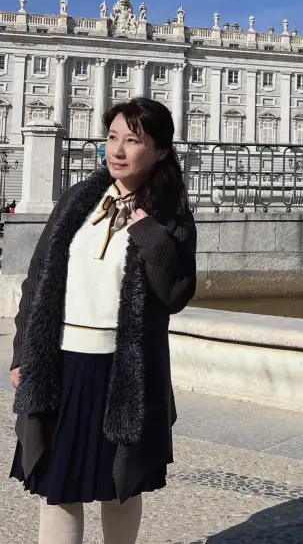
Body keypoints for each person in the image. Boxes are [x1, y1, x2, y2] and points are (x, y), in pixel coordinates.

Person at [9, 97, 197, 544]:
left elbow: (176, 293)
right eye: (112, 137)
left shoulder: (170, 214)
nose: (117, 150)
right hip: (62, 364)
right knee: (56, 487)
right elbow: (38, 280)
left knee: (121, 488)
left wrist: (149, 232)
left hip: (124, 371)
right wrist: (22, 353)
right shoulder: (78, 199)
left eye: (133, 140)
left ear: (160, 151)